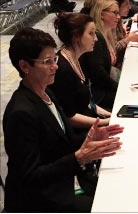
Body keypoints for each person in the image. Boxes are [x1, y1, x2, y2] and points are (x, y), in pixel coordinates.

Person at [3, 27, 123, 212]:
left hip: (64, 181)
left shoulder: (47, 93)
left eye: (55, 59)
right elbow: (30, 177)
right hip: (39, 200)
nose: (55, 66)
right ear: (25, 66)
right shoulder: (21, 113)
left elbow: (60, 143)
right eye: (47, 61)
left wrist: (90, 138)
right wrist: (78, 158)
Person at [50, 13, 111, 133]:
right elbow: (69, 116)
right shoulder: (63, 69)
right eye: (91, 33)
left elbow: (88, 101)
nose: (96, 38)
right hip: (78, 132)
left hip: (89, 117)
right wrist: (104, 122)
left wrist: (109, 114)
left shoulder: (77, 59)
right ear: (76, 36)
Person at [80, 0, 120, 110]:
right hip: (99, 94)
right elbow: (98, 73)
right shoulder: (96, 38)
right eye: (115, 13)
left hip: (105, 86)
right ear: (102, 14)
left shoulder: (108, 33)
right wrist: (119, 87)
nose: (118, 17)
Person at [108, 0, 138, 68]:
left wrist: (127, 37)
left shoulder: (118, 19)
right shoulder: (110, 23)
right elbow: (113, 50)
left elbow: (119, 40)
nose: (129, 7)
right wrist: (128, 39)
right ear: (117, 6)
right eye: (126, 4)